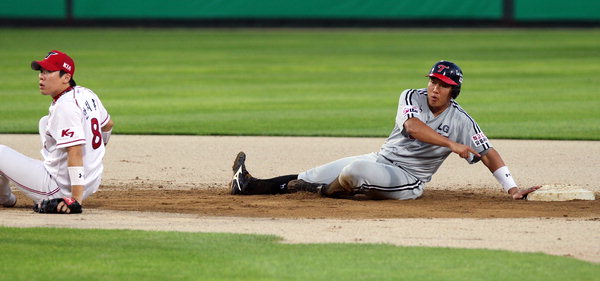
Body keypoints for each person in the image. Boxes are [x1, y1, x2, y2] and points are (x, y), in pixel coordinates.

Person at [229, 60, 539, 200]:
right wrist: (453, 145)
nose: (434, 88)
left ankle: (327, 193)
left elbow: (488, 152)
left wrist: (511, 188)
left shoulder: (462, 121)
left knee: (353, 172)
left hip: (408, 179)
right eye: (433, 81)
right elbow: (413, 128)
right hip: (381, 160)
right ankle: (248, 186)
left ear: (453, 91)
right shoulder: (411, 96)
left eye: (443, 85)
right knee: (309, 175)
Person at [0, 50, 114, 213]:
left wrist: (75, 200)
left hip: (59, 189)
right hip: (91, 181)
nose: (41, 76)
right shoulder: (86, 93)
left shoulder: (65, 106)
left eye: (48, 72)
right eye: (41, 71)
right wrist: (93, 155)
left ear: (66, 77)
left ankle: (5, 199)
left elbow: (74, 152)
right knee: (45, 122)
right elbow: (108, 125)